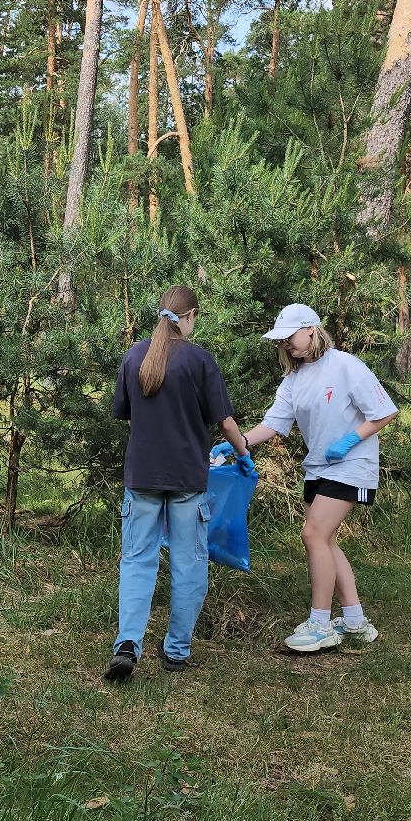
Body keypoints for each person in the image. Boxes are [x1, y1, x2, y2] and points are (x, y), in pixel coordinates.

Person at [216, 303, 399, 653]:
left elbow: (384, 412)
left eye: (290, 337)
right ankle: (355, 622)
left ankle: (320, 624)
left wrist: (348, 441)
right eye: (281, 340)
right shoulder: (293, 380)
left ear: (311, 330)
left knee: (313, 533)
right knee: (325, 541)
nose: (286, 344)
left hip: (351, 464)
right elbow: (273, 424)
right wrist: (235, 445)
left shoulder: (346, 366)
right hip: (318, 469)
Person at [104, 286, 252, 684]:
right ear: (189, 317)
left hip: (143, 477)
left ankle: (127, 646)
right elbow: (224, 422)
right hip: (188, 479)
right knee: (188, 562)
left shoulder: (135, 356)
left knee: (137, 561)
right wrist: (243, 450)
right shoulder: (200, 360)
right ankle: (176, 651)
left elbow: (132, 418)